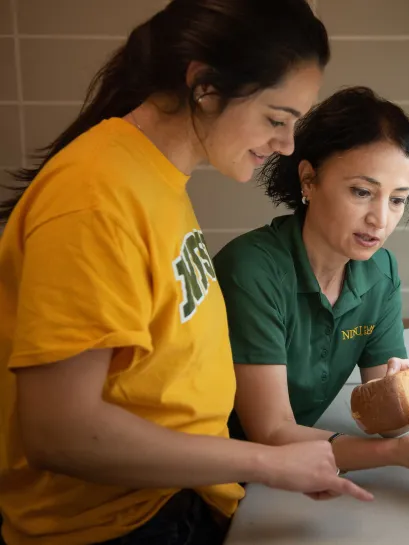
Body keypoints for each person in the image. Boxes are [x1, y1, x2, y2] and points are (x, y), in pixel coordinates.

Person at [0, 2, 373, 545]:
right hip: (114, 526)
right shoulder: (95, 196)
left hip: (175, 499)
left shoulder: (152, 177)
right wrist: (268, 463)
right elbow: (62, 432)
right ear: (205, 86)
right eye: (276, 119)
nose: (286, 146)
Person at [212, 86, 409, 490]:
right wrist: (396, 457)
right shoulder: (253, 269)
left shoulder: (379, 272)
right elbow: (271, 431)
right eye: (362, 192)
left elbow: (386, 419)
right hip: (216, 479)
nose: (380, 220)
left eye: (397, 200)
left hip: (292, 475)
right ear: (309, 180)